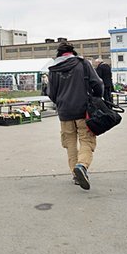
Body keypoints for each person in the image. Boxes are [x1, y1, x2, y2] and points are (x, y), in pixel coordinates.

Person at [48, 42, 104, 191]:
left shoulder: (53, 69)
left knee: (70, 143)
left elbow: (51, 93)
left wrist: (61, 102)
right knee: (86, 140)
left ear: (59, 54)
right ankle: (82, 166)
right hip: (83, 111)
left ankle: (75, 174)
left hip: (64, 113)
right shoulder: (83, 64)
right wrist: (97, 97)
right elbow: (97, 84)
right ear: (72, 52)